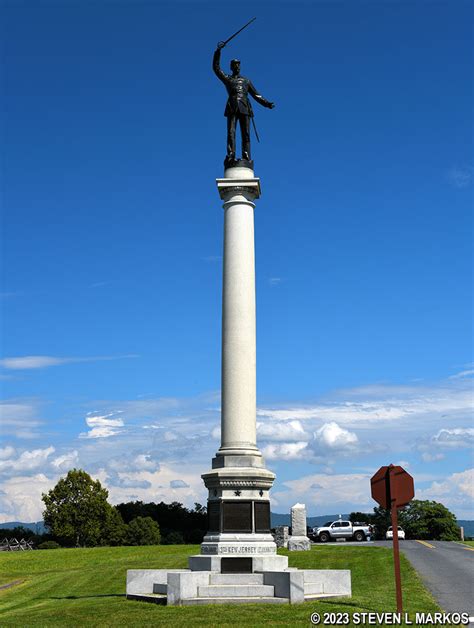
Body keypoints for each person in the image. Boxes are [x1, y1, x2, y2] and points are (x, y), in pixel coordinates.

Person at [213, 42, 275, 164]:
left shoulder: (246, 81)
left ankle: (246, 156)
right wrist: (218, 52)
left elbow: (256, 95)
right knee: (231, 132)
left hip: (245, 107)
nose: (237, 67)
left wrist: (266, 103)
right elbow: (216, 68)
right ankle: (231, 156)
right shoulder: (228, 79)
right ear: (231, 67)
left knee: (246, 133)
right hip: (232, 107)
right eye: (234, 65)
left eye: (238, 65)